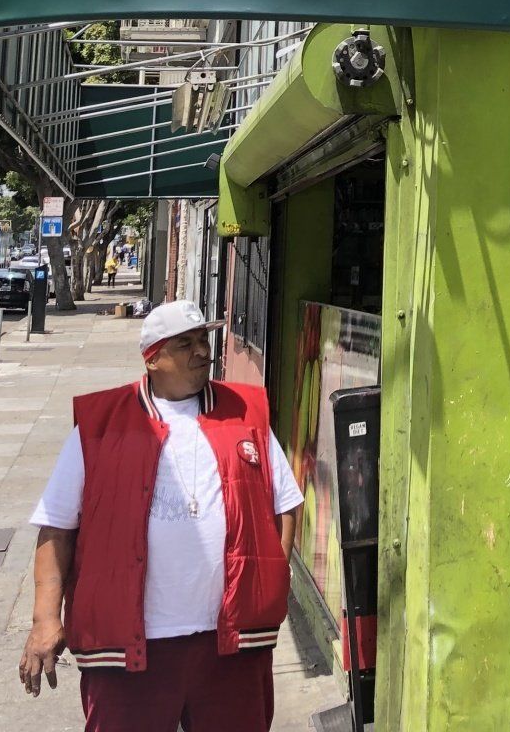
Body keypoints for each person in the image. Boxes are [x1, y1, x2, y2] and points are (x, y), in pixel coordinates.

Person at [19, 301, 303, 730]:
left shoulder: (245, 413)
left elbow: (285, 505)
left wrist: (269, 582)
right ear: (152, 359)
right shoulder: (100, 426)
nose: (202, 352)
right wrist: (45, 619)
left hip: (231, 645)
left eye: (204, 341)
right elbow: (57, 526)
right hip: (128, 649)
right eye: (185, 344)